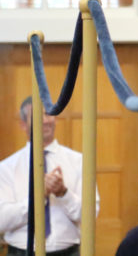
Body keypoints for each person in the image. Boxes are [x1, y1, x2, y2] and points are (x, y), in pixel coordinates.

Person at [0, 96, 98, 256]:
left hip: (68, 252)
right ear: (23, 124)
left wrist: (64, 194)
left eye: (49, 114)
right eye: (38, 116)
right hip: (21, 252)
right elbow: (1, 221)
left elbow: (91, 215)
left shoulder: (79, 162)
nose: (45, 121)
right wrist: (38, 197)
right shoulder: (6, 167)